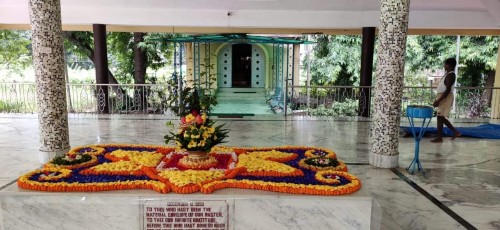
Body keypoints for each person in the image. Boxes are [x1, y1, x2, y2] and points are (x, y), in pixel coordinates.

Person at [431, 58, 461, 143]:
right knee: (440, 116)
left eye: (445, 64)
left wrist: (439, 100)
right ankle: (442, 136)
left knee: (440, 116)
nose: (444, 66)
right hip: (443, 96)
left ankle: (453, 132)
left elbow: (447, 90)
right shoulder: (447, 74)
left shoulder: (451, 75)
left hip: (445, 96)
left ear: (449, 65)